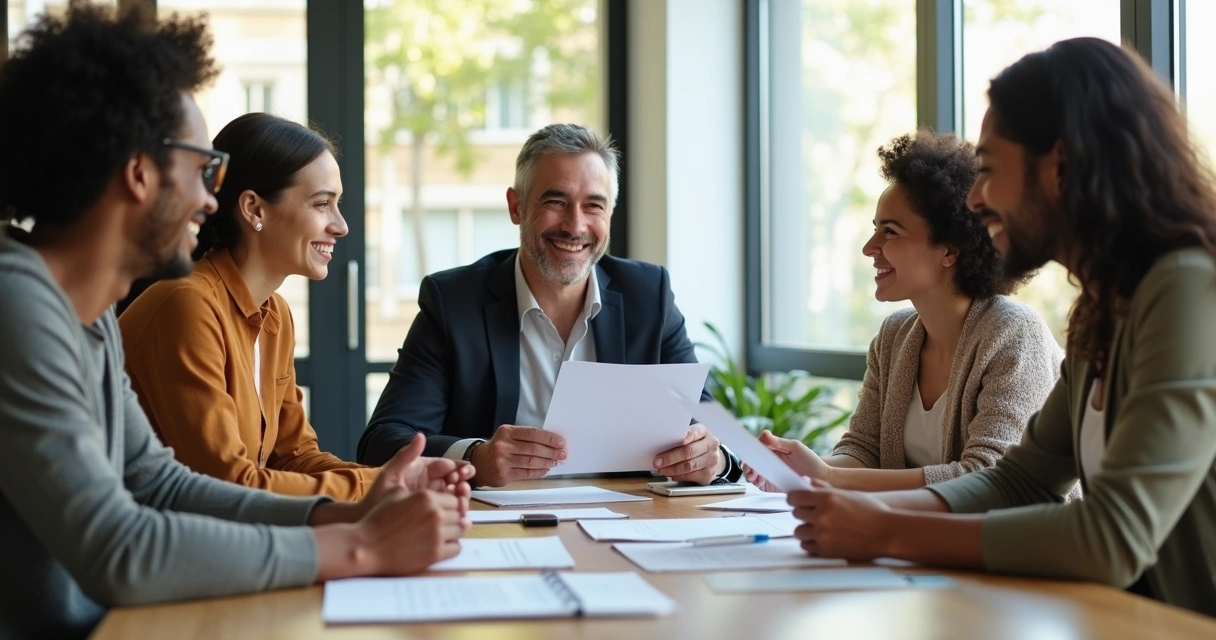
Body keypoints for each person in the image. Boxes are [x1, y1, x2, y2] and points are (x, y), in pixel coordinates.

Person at [0, 6, 471, 639]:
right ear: (138, 172)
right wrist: (363, 548)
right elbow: (119, 546)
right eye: (202, 169)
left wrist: (341, 517)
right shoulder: (18, 307)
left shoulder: (86, 318)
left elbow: (157, 483)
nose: (208, 198)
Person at [787, 38, 1216, 617]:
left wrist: (888, 532)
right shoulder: (1103, 308)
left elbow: (1114, 536)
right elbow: (1020, 483)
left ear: (1060, 166)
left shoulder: (1188, 287)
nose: (977, 199)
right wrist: (865, 512)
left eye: (988, 170)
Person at [357, 123, 743, 488]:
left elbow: (708, 430)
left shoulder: (649, 294)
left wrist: (714, 458)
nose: (575, 226)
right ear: (516, 207)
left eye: (594, 205)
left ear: (609, 214)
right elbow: (382, 442)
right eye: (556, 201)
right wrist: (476, 457)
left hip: (625, 526)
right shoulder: (454, 302)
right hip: (497, 527)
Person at [746, 129, 1063, 493]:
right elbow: (863, 452)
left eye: (890, 232)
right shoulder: (894, 336)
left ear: (949, 250)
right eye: (874, 230)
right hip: (920, 543)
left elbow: (988, 479)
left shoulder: (1013, 333)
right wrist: (798, 470)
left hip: (1016, 548)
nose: (869, 247)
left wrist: (829, 476)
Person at [119, 113, 379, 500]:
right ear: (255, 209)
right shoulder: (187, 305)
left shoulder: (276, 314)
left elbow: (293, 456)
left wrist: (399, 478)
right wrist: (379, 485)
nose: (340, 226)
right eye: (322, 204)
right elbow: (228, 483)